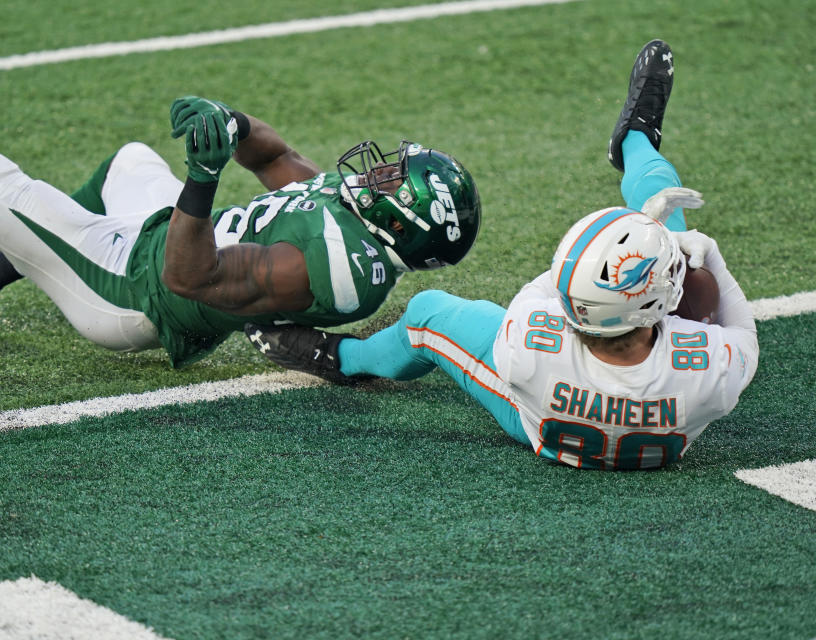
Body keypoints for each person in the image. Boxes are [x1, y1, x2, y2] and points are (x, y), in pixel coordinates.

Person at [244, 40, 759, 470]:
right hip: (648, 426)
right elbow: (742, 333)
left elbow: (557, 287)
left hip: (539, 424)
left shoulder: (532, 344)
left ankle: (344, 360)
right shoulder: (711, 367)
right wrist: (706, 257)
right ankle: (637, 142)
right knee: (673, 231)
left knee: (426, 316)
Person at [0, 98, 482, 368]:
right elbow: (273, 158)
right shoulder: (356, 217)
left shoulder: (338, 268)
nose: (377, 170)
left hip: (136, 290)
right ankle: (8, 263)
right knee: (130, 160)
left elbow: (188, 276)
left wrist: (204, 177)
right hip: (162, 242)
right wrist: (229, 123)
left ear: (403, 217)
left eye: (394, 177)